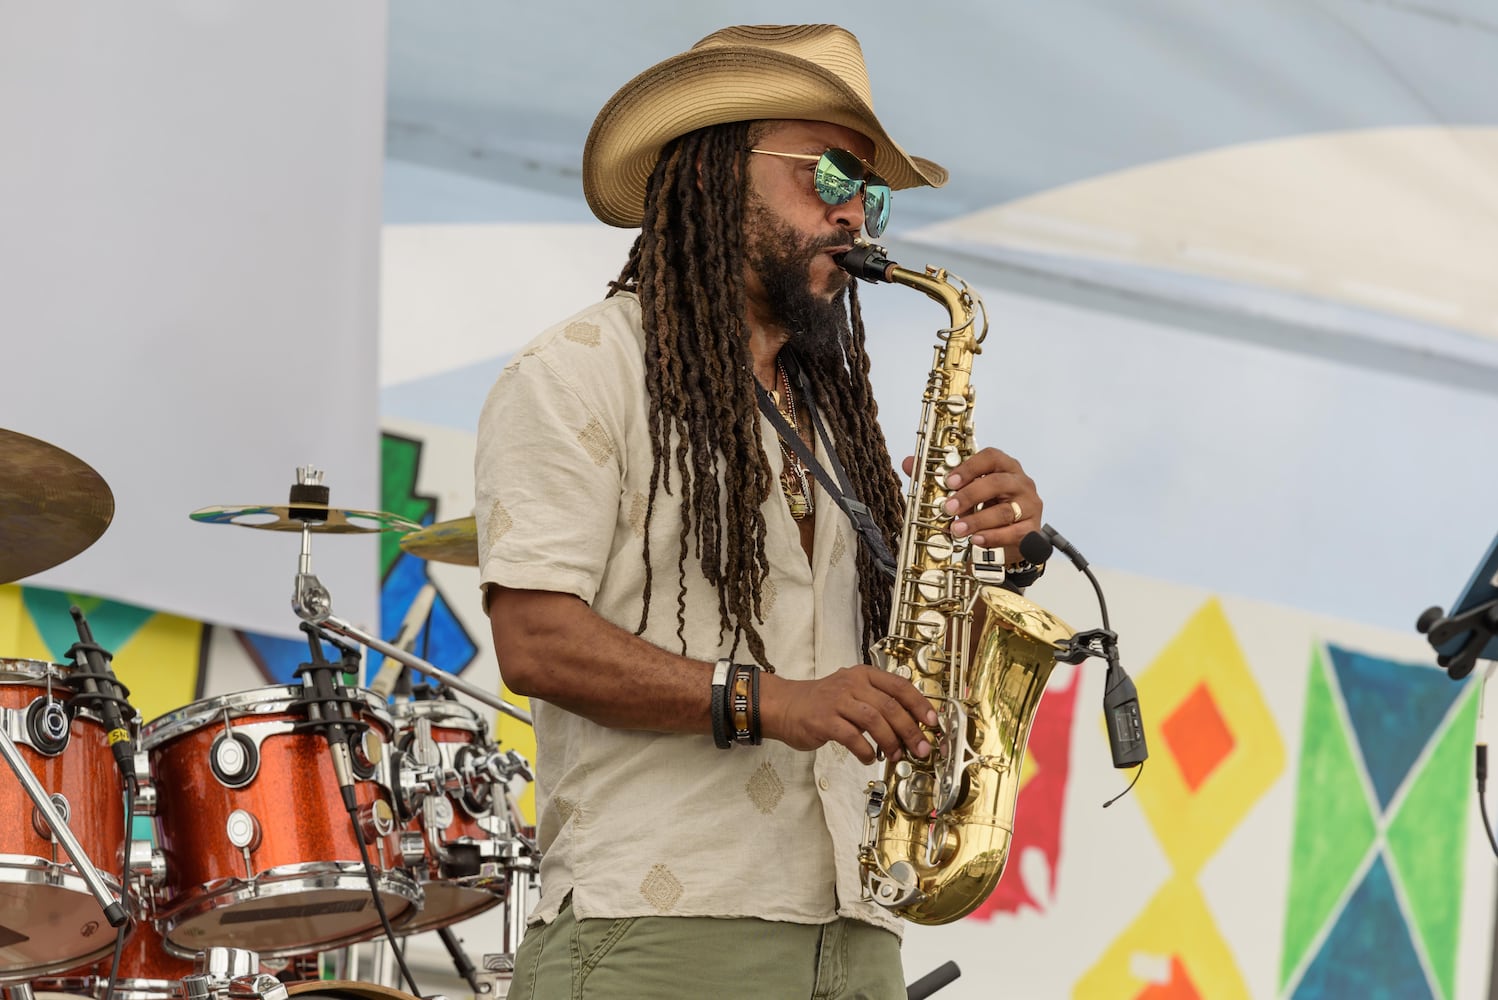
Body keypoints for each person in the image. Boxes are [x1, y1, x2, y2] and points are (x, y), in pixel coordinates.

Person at [475, 24, 1046, 1000]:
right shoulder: (576, 372)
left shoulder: (834, 419)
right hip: (660, 929)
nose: (856, 217)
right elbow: (535, 641)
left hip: (854, 929)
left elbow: (896, 637)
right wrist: (774, 701)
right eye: (829, 176)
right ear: (710, 171)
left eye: (870, 195)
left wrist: (997, 550)